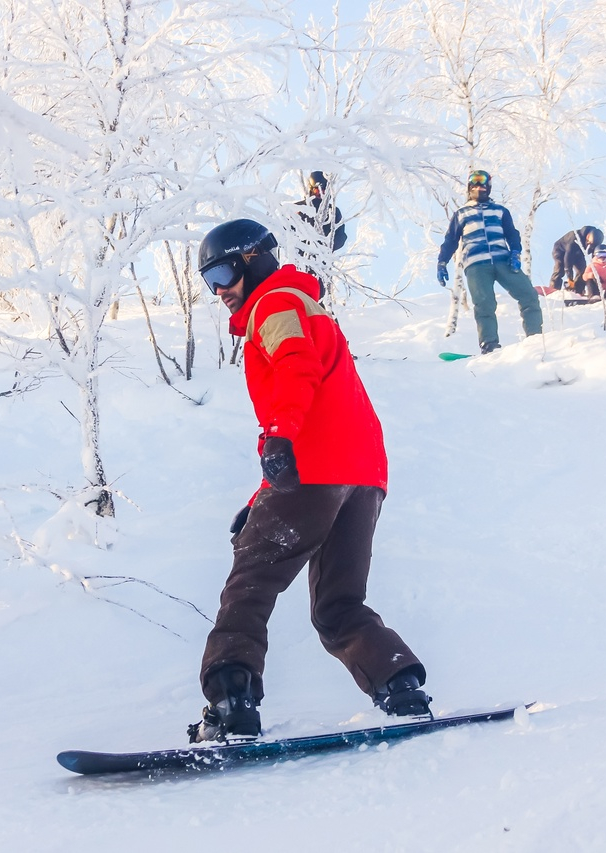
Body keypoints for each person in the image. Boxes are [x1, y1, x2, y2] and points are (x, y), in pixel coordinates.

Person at [190, 217, 430, 743]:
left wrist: (279, 436)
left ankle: (231, 703)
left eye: (224, 274)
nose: (220, 291)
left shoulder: (274, 303)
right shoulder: (304, 306)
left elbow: (296, 368)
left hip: (313, 469)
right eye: (210, 281)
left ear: (255, 260)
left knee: (250, 585)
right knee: (339, 605)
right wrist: (261, 496)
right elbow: (323, 400)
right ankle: (400, 685)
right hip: (362, 477)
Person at [437, 170, 542, 353]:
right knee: (484, 303)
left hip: (504, 261)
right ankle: (489, 343)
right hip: (476, 265)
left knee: (528, 295)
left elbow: (512, 234)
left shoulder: (500, 211)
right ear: (470, 188)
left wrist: (515, 253)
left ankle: (535, 337)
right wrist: (442, 262)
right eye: (475, 184)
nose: (479, 188)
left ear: (489, 188)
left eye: (483, 184)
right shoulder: (461, 214)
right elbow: (451, 240)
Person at [293, 171, 348, 299]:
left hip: (321, 263)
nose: (321, 193)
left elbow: (340, 237)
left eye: (324, 190)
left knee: (319, 297)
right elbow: (285, 231)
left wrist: (323, 246)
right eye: (318, 190)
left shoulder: (333, 211)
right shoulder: (298, 208)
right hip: (299, 261)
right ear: (311, 189)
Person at [547, 226, 604, 295]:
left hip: (578, 253)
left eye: (593, 245)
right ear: (588, 236)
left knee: (583, 271)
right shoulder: (574, 238)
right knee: (560, 269)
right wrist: (570, 278)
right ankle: (553, 289)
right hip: (561, 251)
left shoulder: (594, 243)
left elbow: (595, 260)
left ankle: (578, 291)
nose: (590, 246)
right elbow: (567, 259)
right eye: (590, 243)